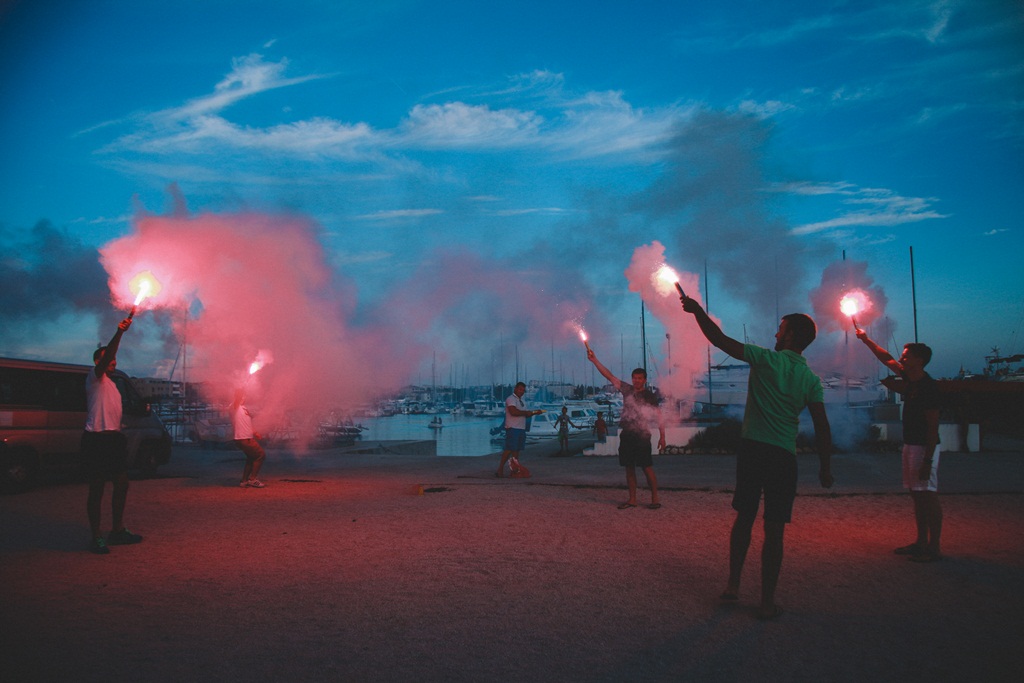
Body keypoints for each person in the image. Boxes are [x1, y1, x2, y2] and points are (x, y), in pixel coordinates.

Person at [680, 295, 833, 620]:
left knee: (744, 518)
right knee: (775, 529)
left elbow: (719, 339)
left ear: (790, 336)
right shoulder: (811, 380)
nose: (775, 335)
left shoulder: (765, 359)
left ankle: (734, 585)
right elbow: (821, 426)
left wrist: (697, 312)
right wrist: (825, 466)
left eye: (780, 330)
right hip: (783, 457)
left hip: (752, 450)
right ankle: (766, 601)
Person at [856, 330, 943, 562]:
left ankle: (934, 547)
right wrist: (865, 340)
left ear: (919, 360)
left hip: (924, 448)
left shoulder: (929, 387)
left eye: (906, 356)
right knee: (917, 494)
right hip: (911, 444)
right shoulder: (909, 380)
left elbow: (934, 427)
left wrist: (927, 459)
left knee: (928, 495)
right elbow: (885, 358)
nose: (901, 359)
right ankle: (921, 542)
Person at [81, 316, 144, 554]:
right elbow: (107, 354)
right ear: (98, 362)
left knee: (122, 484)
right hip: (96, 438)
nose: (113, 362)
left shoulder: (114, 385)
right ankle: (96, 536)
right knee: (96, 488)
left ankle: (117, 530)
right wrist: (120, 333)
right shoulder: (94, 378)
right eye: (108, 359)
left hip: (113, 439)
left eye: (115, 359)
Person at [586, 348, 665, 510]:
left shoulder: (650, 396)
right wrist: (595, 360)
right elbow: (608, 375)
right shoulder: (627, 389)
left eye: (639, 378)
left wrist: (663, 436)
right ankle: (632, 499)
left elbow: (659, 416)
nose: (636, 381)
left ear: (644, 380)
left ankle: (655, 498)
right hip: (627, 434)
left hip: (642, 435)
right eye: (634, 378)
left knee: (646, 467)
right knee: (629, 467)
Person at [496, 382, 543, 478]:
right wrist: (527, 413)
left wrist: (534, 413)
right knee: (508, 449)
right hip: (513, 428)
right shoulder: (511, 399)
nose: (521, 391)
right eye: (520, 389)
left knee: (516, 450)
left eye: (523, 390)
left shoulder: (522, 401)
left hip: (521, 428)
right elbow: (513, 411)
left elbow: (525, 413)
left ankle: (515, 470)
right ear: (515, 389)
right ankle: (499, 469)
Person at [231, 388, 266, 488]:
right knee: (260, 455)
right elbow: (237, 399)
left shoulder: (243, 408)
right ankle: (253, 479)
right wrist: (241, 388)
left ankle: (244, 481)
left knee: (251, 457)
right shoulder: (234, 407)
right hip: (243, 438)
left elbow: (246, 423)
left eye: (244, 395)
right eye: (242, 395)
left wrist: (254, 432)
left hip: (247, 437)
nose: (244, 398)